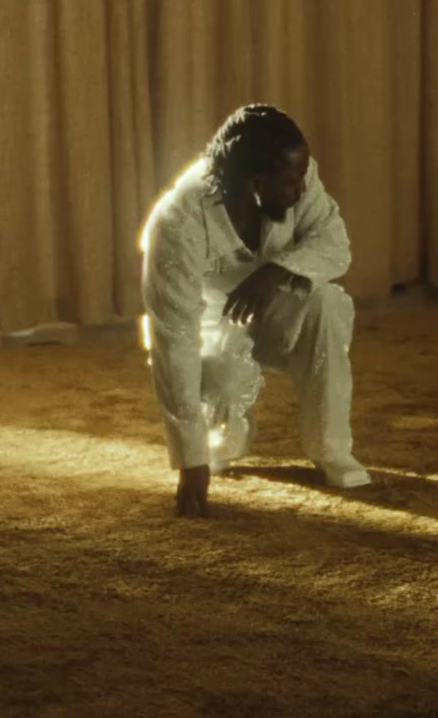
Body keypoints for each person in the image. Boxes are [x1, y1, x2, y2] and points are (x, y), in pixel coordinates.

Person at [140, 104, 369, 518]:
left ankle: (331, 446)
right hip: (212, 321)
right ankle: (222, 431)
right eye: (290, 181)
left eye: (302, 175)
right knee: (222, 394)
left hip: (277, 298)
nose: (302, 189)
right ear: (253, 182)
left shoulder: (299, 174)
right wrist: (190, 460)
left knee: (328, 303)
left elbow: (336, 245)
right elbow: (173, 339)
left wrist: (276, 271)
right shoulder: (178, 222)